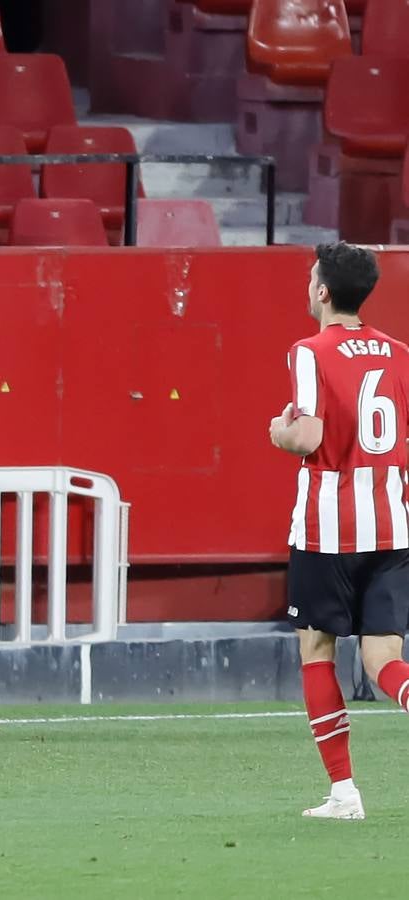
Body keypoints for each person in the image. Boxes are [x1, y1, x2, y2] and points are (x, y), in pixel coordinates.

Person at [268, 241, 409, 819]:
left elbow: (304, 437)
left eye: (310, 278)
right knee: (383, 658)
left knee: (317, 650)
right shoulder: (401, 354)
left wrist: (275, 428)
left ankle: (344, 793)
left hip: (328, 530)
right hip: (393, 525)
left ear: (323, 291)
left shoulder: (309, 351)